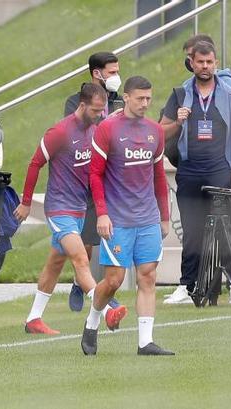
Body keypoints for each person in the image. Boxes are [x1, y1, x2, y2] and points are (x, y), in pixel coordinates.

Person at [15, 84, 127, 335]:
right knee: (80, 258)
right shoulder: (60, 132)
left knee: (56, 262)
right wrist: (25, 202)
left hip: (79, 209)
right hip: (59, 209)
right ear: (82, 104)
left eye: (102, 111)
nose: (99, 115)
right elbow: (35, 164)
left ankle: (33, 319)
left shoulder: (95, 130)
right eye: (96, 110)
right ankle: (107, 310)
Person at [81, 76, 173, 356]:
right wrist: (102, 214)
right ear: (127, 97)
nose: (145, 103)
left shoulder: (155, 131)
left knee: (148, 276)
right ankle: (93, 321)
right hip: (117, 220)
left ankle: (145, 342)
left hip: (147, 219)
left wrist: (164, 216)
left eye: (149, 98)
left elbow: (158, 176)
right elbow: (94, 174)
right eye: (140, 98)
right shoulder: (107, 129)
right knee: (114, 280)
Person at [160, 41, 231, 304]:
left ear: (216, 63)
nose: (205, 67)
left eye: (210, 62)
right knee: (192, 231)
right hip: (189, 171)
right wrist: (179, 121)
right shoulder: (180, 93)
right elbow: (160, 131)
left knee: (226, 229)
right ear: (192, 63)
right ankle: (187, 285)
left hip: (220, 169)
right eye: (200, 62)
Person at [64, 51, 123, 312]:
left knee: (112, 237)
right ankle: (80, 283)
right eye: (112, 72)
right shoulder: (74, 101)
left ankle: (106, 289)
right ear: (96, 74)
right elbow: (73, 130)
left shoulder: (120, 100)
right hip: (85, 177)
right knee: (85, 242)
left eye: (117, 71)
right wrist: (106, 122)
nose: (116, 77)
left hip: (113, 177)